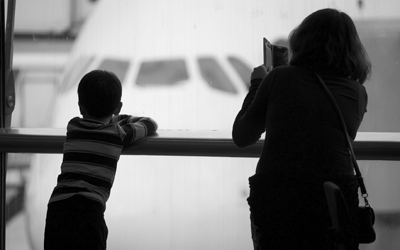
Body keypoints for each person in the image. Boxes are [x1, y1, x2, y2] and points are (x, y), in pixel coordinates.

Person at [232, 9, 371, 250]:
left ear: (302, 40)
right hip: (335, 198)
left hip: (279, 196)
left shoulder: (279, 78)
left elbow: (243, 135)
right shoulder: (358, 93)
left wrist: (258, 83)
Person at [44, 70, 158, 250]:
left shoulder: (73, 125)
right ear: (118, 108)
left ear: (80, 107)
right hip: (90, 210)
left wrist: (112, 116)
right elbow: (150, 124)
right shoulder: (118, 134)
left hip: (58, 207)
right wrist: (117, 118)